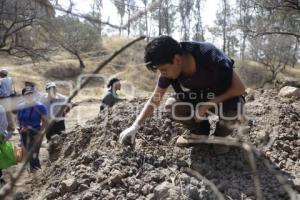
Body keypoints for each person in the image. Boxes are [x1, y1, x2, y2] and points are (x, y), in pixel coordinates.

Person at [119, 36, 246, 152]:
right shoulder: (170, 70)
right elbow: (155, 99)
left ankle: (221, 136)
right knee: (172, 106)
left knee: (235, 112)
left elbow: (240, 88)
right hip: (200, 99)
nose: (162, 74)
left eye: (163, 69)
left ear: (177, 59)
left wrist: (207, 105)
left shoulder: (209, 55)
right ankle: (200, 132)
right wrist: (135, 126)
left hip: (225, 99)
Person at [17, 86, 48, 172]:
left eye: (31, 94)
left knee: (34, 154)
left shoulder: (40, 106)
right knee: (28, 155)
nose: (29, 96)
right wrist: (20, 128)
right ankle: (33, 174)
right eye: (27, 94)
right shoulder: (20, 106)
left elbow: (45, 121)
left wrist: (40, 134)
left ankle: (38, 174)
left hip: (35, 133)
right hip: (23, 133)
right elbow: (18, 119)